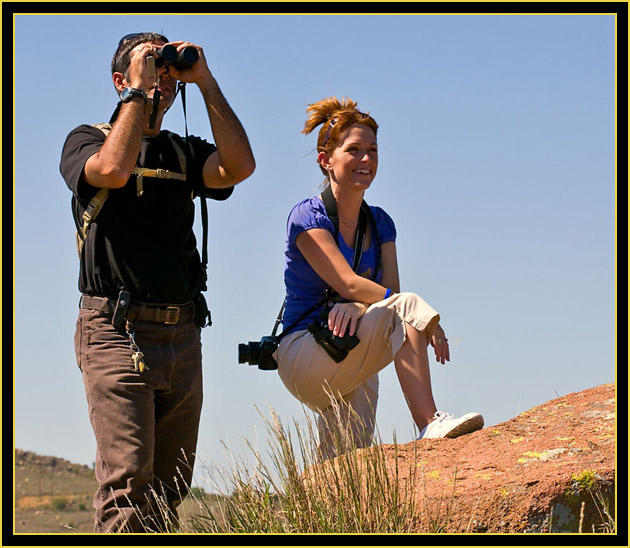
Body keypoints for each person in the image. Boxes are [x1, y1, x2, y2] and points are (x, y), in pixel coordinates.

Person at [59, 32, 255, 532]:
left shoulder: (183, 152)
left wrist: (205, 81)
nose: (161, 80)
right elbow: (114, 171)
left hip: (182, 334)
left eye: (166, 71)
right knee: (127, 481)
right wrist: (137, 95)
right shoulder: (86, 140)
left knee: (169, 490)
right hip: (115, 332)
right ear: (118, 80)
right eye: (149, 68)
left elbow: (239, 166)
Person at [275, 97, 483, 461]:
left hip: (349, 347)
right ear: (327, 160)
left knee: (346, 462)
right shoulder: (308, 217)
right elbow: (351, 284)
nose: (366, 159)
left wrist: (359, 306)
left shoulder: (380, 223)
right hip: (303, 352)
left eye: (373, 150)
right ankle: (429, 422)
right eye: (354, 150)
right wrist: (418, 313)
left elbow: (389, 294)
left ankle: (324, 508)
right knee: (404, 309)